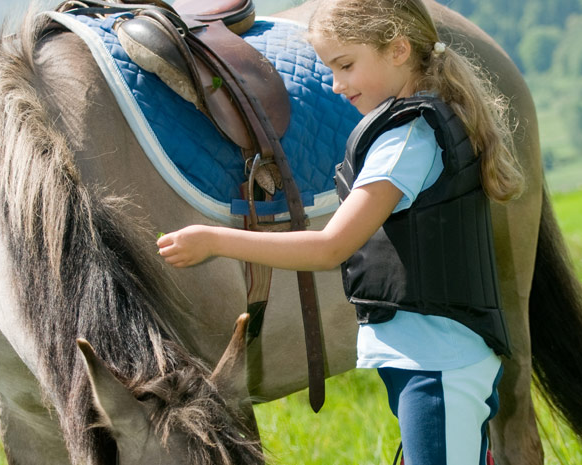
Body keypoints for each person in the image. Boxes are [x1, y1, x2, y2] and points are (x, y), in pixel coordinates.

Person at [157, 0, 524, 463]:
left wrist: (212, 240)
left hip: (437, 365)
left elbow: (331, 246)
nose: (336, 84)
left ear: (398, 50)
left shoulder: (406, 140)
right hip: (434, 361)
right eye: (331, 68)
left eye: (346, 65)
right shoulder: (418, 123)